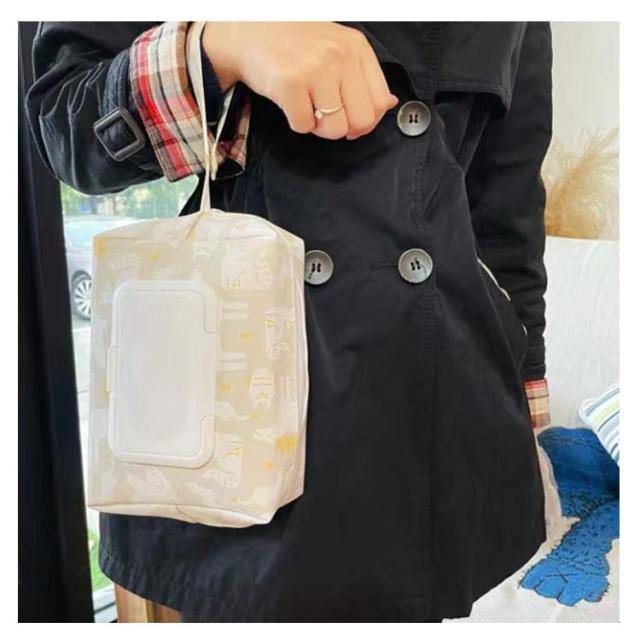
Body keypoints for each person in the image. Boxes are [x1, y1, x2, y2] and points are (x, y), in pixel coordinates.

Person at [26, 21, 552, 622]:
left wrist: (526, 393)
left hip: (441, 392)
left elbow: (507, 210)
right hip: (251, 396)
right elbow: (64, 125)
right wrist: (223, 47)